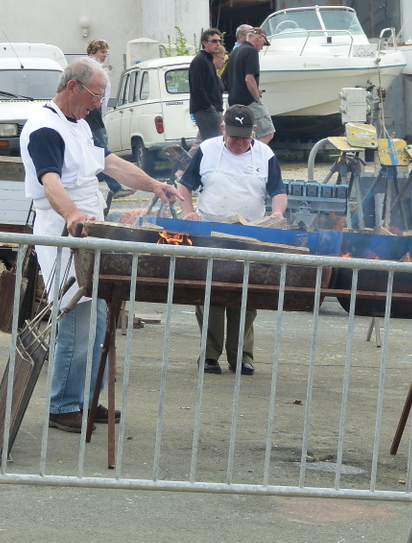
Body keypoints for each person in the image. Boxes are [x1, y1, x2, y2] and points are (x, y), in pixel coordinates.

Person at [20, 58, 183, 432]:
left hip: (90, 230)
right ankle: (63, 405)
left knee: (96, 320)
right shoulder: (45, 128)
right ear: (73, 87)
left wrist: (153, 185)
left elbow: (110, 163)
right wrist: (73, 215)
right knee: (77, 317)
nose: (98, 103)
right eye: (95, 95)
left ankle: (85, 399)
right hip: (64, 231)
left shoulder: (80, 123)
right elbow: (50, 181)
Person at [177, 104, 287, 376]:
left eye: (243, 138)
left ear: (254, 131)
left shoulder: (266, 154)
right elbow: (185, 185)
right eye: (232, 136)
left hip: (251, 232)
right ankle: (210, 354)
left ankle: (242, 356)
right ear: (223, 129)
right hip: (211, 230)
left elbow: (278, 190)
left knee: (246, 294)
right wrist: (188, 212)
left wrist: (277, 213)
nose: (238, 143)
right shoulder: (208, 150)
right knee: (210, 293)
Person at [85, 39, 132, 200]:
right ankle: (115, 187)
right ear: (93, 52)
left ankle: (114, 186)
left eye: (106, 52)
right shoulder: (90, 68)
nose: (105, 55)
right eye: (102, 52)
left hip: (96, 114)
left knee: (98, 151)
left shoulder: (95, 67)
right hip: (92, 116)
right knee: (101, 151)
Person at [225, 27, 275, 144]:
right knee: (267, 133)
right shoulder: (251, 51)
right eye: (263, 42)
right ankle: (255, 159)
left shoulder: (235, 51)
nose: (262, 47)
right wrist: (257, 97)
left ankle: (241, 157)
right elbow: (249, 79)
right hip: (249, 101)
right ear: (259, 37)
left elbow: (230, 78)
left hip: (234, 102)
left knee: (242, 135)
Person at [189, 29, 226, 144]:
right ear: (205, 43)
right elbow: (197, 87)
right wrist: (208, 107)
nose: (218, 44)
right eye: (214, 41)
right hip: (205, 110)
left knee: (208, 143)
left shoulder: (208, 61)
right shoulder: (199, 61)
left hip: (212, 109)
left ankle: (192, 161)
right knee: (213, 143)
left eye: (219, 41)